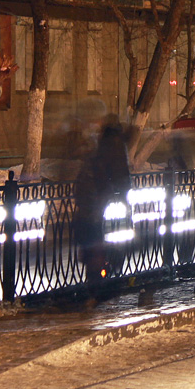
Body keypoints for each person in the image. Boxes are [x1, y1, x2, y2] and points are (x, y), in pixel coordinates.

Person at [73, 117, 131, 301]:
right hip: (95, 196)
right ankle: (96, 286)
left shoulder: (104, 145)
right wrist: (123, 193)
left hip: (91, 196)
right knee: (95, 240)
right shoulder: (114, 145)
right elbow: (120, 173)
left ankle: (95, 283)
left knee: (92, 239)